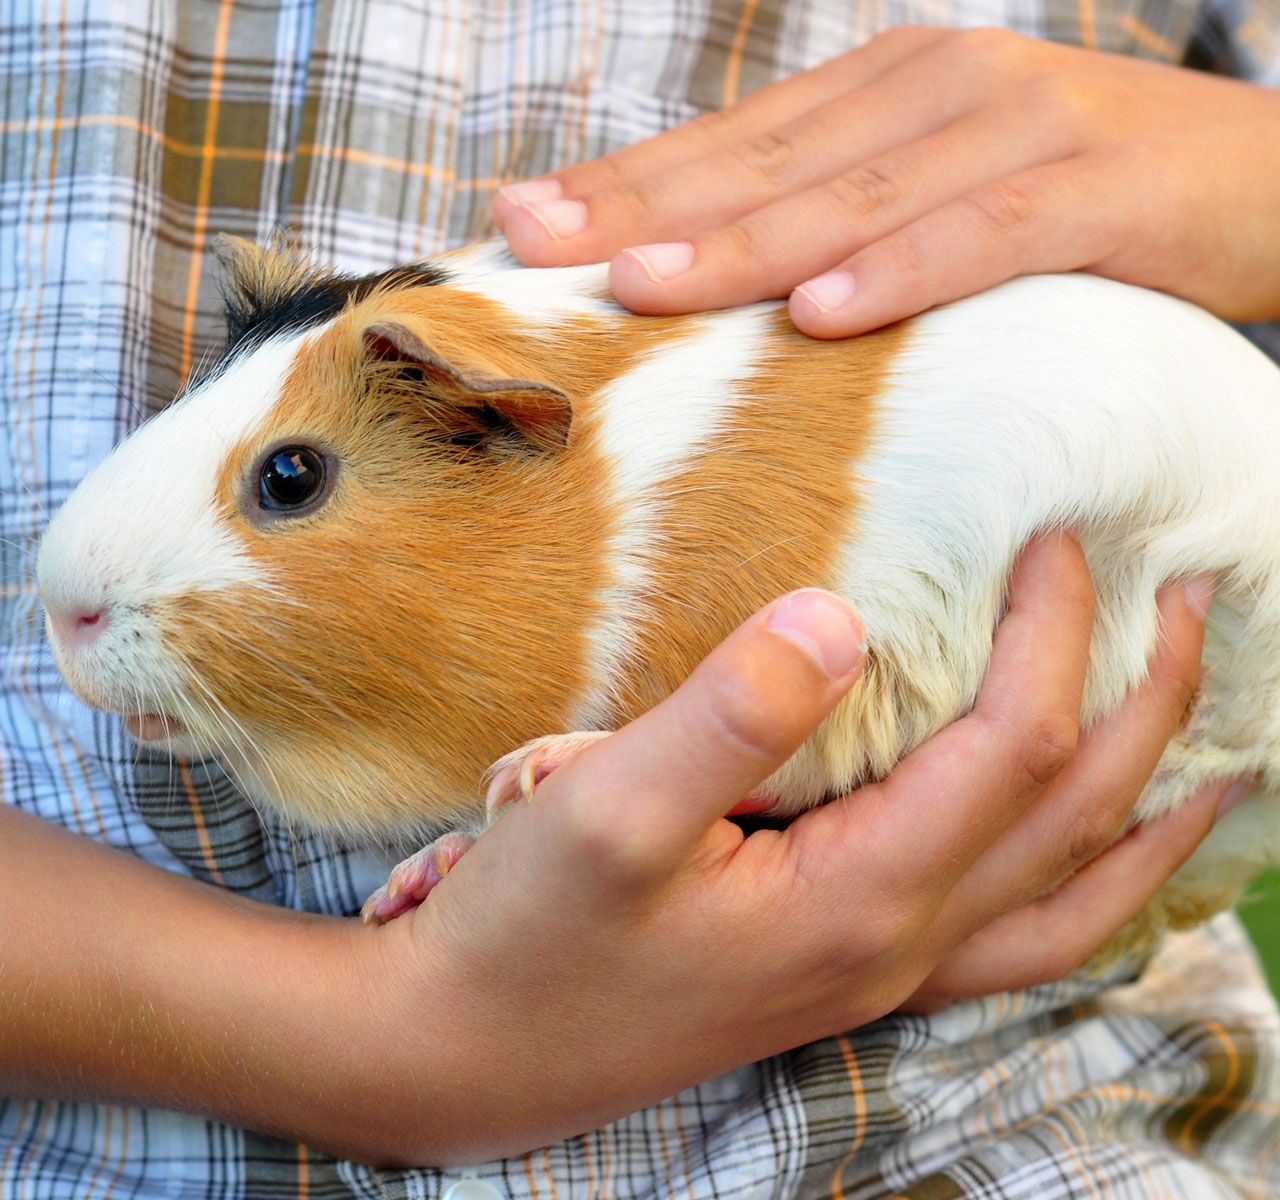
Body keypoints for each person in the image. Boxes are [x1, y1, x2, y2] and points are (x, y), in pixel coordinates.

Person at [1, 3, 1277, 1198]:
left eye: (287, 481)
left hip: (1032, 1115)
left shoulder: (713, 478)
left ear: (489, 419)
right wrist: (356, 1034)